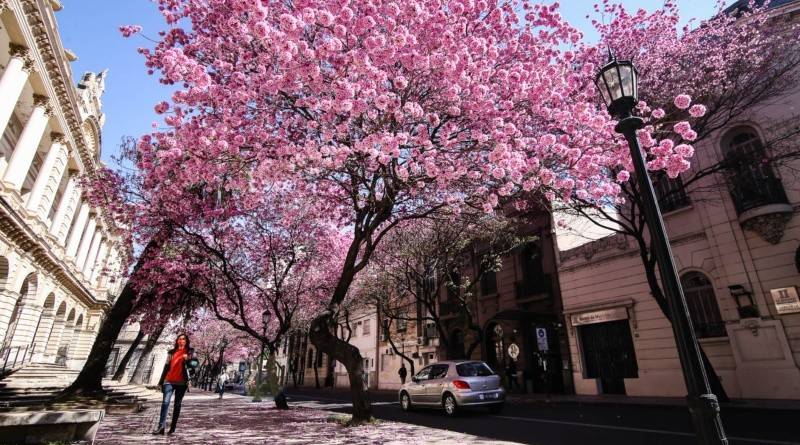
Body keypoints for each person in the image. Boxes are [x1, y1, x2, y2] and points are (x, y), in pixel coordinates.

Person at [153, 333, 197, 435]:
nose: (181, 341)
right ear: (177, 340)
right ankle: (161, 427)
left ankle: (172, 428)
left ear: (186, 341)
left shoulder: (190, 352)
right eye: (180, 339)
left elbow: (195, 365)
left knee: (177, 405)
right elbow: (166, 367)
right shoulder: (171, 352)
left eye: (184, 339)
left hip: (182, 382)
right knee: (165, 403)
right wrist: (160, 382)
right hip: (168, 381)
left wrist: (188, 360)